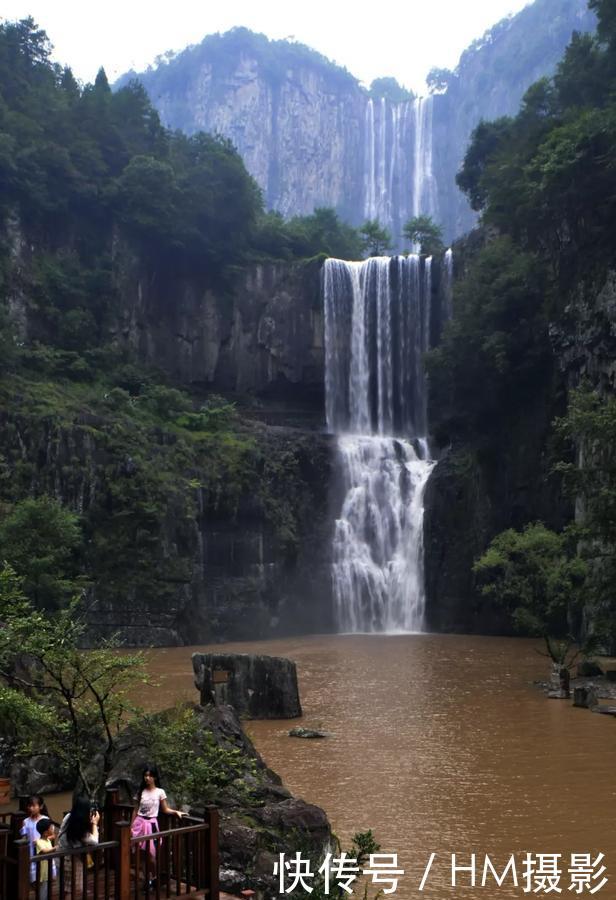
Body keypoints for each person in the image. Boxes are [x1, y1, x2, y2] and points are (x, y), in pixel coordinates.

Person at [131, 766, 183, 890]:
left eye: (150, 775)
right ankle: (146, 880)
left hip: (152, 824)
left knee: (151, 855)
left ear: (154, 777)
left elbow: (165, 809)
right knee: (142, 855)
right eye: (145, 775)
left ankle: (154, 877)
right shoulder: (140, 792)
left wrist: (176, 812)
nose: (147, 778)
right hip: (139, 823)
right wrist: (131, 826)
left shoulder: (160, 792)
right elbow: (135, 810)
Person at [57, 797, 100, 890]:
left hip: (60, 857)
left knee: (64, 889)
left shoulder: (68, 817)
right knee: (71, 891)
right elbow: (95, 841)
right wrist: (95, 823)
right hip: (71, 861)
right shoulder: (81, 830)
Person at [19, 794, 50, 883]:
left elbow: (52, 835)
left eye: (33, 806)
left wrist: (41, 841)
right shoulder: (26, 821)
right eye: (29, 806)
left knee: (43, 875)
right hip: (31, 850)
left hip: (42, 849)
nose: (31, 808)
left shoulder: (45, 819)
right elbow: (23, 837)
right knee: (32, 876)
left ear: (40, 806)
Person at [34, 818, 57, 900]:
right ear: (46, 832)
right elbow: (45, 851)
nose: (53, 828)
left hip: (49, 869)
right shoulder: (39, 842)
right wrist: (55, 848)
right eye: (51, 828)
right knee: (43, 890)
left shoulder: (47, 840)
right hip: (43, 871)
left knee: (48, 889)